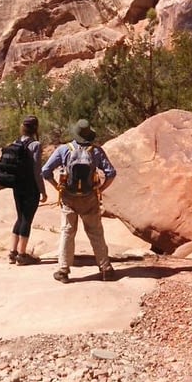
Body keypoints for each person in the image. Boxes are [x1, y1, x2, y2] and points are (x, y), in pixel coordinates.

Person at [41, 119, 118, 282]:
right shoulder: (96, 151)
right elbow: (111, 173)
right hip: (89, 197)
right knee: (96, 232)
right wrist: (101, 189)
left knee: (67, 232)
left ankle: (63, 270)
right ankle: (106, 269)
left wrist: (57, 187)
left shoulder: (64, 150)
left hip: (69, 197)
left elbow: (45, 170)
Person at [0, 115, 47, 264]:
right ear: (35, 128)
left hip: (17, 185)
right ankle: (22, 255)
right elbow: (37, 170)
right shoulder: (35, 145)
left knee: (20, 217)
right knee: (27, 219)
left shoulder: (15, 142)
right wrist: (42, 190)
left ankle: (12, 253)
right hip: (30, 187)